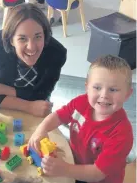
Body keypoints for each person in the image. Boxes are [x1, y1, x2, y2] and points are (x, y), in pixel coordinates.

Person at [28, 55, 134, 183]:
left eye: (113, 89)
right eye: (97, 87)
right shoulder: (80, 103)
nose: (104, 95)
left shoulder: (122, 133)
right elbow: (58, 116)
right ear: (87, 88)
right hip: (74, 165)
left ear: (127, 94)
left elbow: (97, 173)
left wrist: (65, 169)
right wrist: (41, 129)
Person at [0, 3, 67, 118]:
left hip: (33, 113)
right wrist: (28, 106)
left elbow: (41, 96)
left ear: (45, 35)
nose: (31, 47)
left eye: (38, 36)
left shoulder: (56, 53)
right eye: (22, 38)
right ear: (11, 40)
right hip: (0, 112)